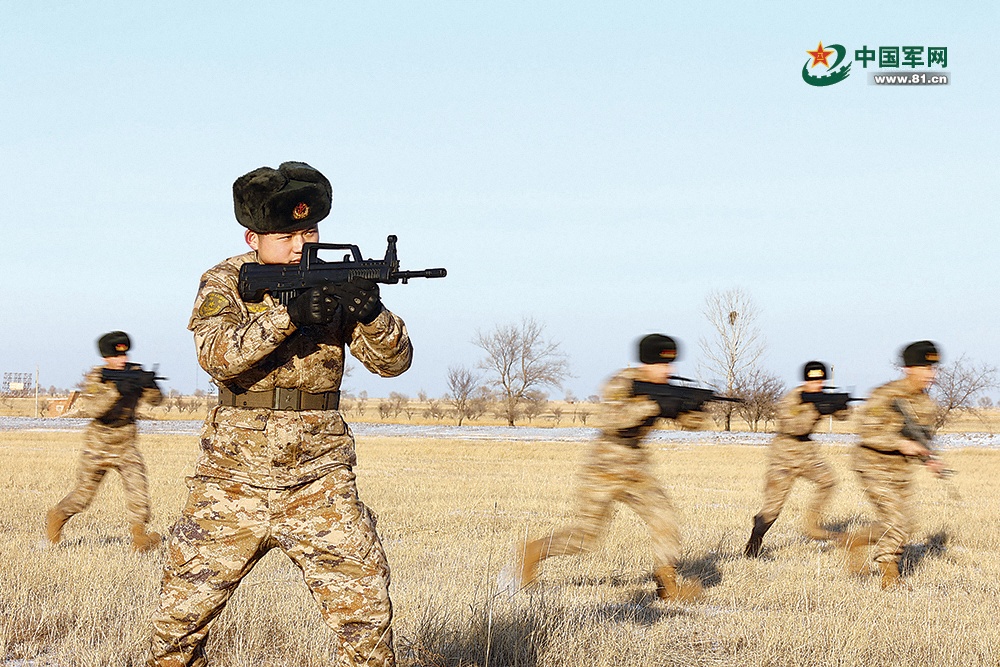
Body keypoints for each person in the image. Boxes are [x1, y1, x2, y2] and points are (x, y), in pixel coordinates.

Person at [147, 162, 412, 666]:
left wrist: (372, 315)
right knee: (177, 625)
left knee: (367, 619)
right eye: (285, 236)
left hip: (319, 478)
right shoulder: (225, 281)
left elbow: (393, 364)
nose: (298, 245)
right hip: (231, 481)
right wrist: (288, 317)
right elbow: (218, 355)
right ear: (253, 238)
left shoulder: (338, 280)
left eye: (308, 232)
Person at [514, 334, 706, 602]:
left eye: (670, 364)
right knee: (586, 537)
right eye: (662, 364)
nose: (668, 370)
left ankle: (667, 585)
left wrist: (690, 408)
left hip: (636, 468)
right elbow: (610, 419)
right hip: (603, 466)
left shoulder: (667, 389)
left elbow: (694, 424)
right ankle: (533, 552)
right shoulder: (622, 383)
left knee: (665, 520)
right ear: (647, 363)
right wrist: (651, 406)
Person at [838, 341, 945, 589]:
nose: (931, 374)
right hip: (872, 465)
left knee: (906, 525)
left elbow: (921, 439)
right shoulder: (885, 395)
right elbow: (867, 432)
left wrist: (929, 459)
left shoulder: (926, 404)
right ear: (909, 368)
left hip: (900, 470)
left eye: (933, 368)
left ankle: (856, 539)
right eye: (925, 368)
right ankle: (890, 577)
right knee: (896, 523)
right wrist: (899, 443)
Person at [46, 331, 164, 552]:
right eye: (116, 356)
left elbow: (156, 401)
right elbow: (93, 409)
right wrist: (115, 392)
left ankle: (139, 537)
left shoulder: (135, 373)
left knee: (139, 493)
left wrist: (150, 387)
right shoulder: (96, 377)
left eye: (124, 355)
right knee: (83, 497)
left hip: (126, 445)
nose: (122, 359)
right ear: (106, 357)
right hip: (98, 445)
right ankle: (57, 516)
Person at [743, 361, 850, 558]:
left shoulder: (822, 397)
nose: (817, 384)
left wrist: (840, 406)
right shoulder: (791, 399)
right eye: (813, 380)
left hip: (807, 454)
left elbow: (844, 417)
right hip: (783, 456)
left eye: (821, 380)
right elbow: (794, 427)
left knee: (828, 481)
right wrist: (816, 409)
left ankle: (813, 525)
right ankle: (754, 542)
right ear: (805, 381)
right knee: (772, 509)